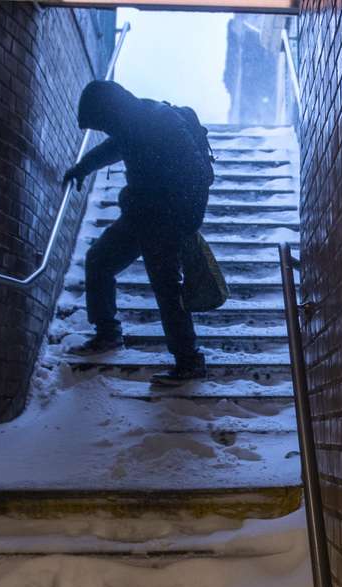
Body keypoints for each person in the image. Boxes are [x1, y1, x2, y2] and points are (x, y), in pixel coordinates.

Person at [62, 80, 214, 386]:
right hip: (140, 216)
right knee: (99, 261)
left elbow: (198, 173)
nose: (105, 130)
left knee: (167, 289)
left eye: (103, 122)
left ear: (111, 111)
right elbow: (113, 147)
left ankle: (190, 361)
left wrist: (184, 220)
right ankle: (107, 334)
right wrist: (83, 168)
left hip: (165, 220)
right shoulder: (129, 125)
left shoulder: (158, 121)